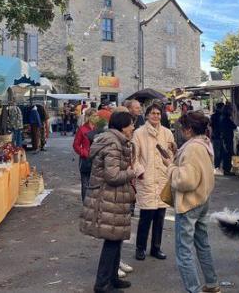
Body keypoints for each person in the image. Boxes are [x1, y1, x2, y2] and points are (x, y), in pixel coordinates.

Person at [80, 111, 140, 293]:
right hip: (109, 198)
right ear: (122, 126)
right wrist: (133, 172)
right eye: (131, 124)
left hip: (115, 198)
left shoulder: (115, 140)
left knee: (116, 238)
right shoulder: (113, 144)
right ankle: (102, 284)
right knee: (112, 240)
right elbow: (112, 175)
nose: (133, 128)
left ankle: (112, 278)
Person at [167, 111, 219, 293]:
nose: (180, 131)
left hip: (189, 202)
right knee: (202, 244)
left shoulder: (192, 148)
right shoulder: (204, 143)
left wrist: (171, 167)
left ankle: (193, 289)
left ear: (188, 129)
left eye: (182, 127)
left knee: (184, 251)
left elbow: (186, 180)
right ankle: (212, 284)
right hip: (202, 199)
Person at [132, 103, 177, 261]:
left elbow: (171, 154)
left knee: (160, 217)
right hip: (147, 179)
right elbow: (134, 157)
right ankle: (140, 248)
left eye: (158, 114)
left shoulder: (166, 133)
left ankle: (156, 248)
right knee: (146, 217)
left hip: (163, 179)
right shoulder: (138, 133)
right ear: (147, 115)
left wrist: (170, 163)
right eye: (153, 113)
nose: (156, 116)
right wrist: (140, 172)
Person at [73, 108, 98, 202]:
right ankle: (85, 204)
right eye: (95, 116)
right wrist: (84, 153)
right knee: (85, 183)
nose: (97, 117)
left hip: (97, 159)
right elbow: (75, 145)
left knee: (96, 183)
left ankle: (94, 204)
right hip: (85, 160)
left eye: (97, 116)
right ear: (89, 117)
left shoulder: (98, 128)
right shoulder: (82, 129)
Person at [219, 104, 237, 176]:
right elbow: (234, 126)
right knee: (228, 154)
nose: (231, 111)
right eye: (230, 110)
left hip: (225, 138)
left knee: (227, 154)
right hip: (227, 138)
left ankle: (226, 169)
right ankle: (227, 170)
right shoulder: (226, 119)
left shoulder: (222, 118)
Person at [209, 103, 224, 173]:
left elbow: (211, 127)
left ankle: (217, 165)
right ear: (221, 108)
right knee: (220, 151)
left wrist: (211, 135)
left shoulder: (213, 116)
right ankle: (218, 165)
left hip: (215, 136)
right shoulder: (222, 116)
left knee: (217, 151)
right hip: (220, 136)